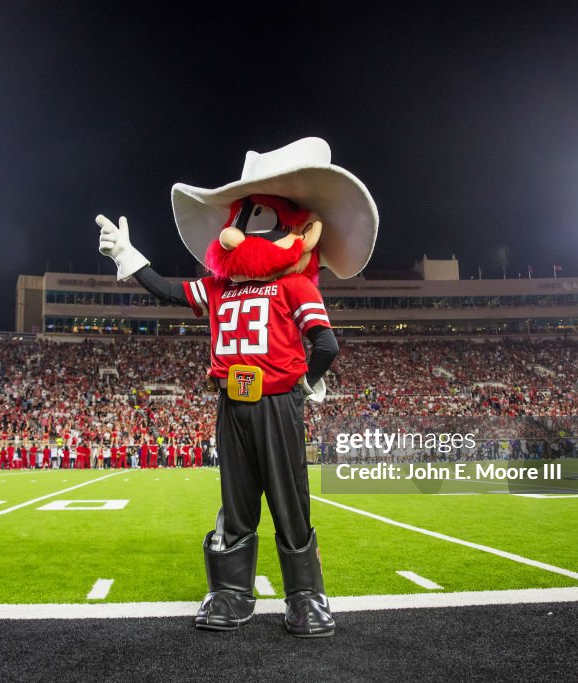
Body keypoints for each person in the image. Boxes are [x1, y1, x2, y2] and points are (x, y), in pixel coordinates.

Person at [97, 137, 377, 637]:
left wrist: (304, 386)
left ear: (297, 231)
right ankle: (231, 592)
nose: (238, 233)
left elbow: (326, 343)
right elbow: (169, 290)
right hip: (233, 400)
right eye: (242, 221)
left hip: (275, 402)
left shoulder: (296, 284)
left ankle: (305, 595)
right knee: (238, 497)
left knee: (289, 500)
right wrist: (131, 258)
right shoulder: (219, 286)